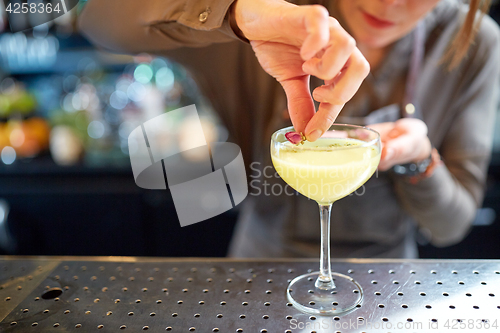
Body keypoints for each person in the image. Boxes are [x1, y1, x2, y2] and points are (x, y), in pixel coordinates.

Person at [78, 0, 500, 258]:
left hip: (386, 278)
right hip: (257, 269)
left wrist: (419, 160)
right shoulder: (278, 14)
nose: (388, 2)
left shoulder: (475, 42)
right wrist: (239, 15)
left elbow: (451, 226)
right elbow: (98, 21)